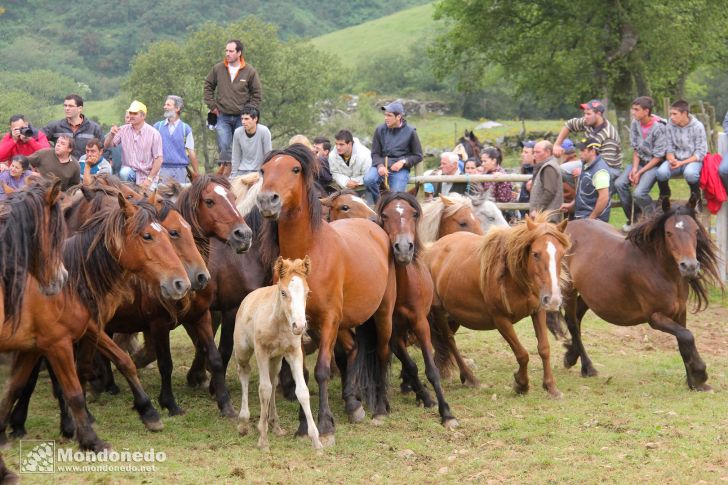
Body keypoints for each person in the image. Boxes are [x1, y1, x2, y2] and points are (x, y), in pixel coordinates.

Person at [204, 40, 263, 177]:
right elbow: (208, 85)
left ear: (239, 53)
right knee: (224, 146)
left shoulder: (249, 71)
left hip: (241, 117)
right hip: (222, 115)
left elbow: (257, 93)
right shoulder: (218, 68)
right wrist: (212, 105)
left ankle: (240, 173)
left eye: (231, 51)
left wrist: (249, 111)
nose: (227, 54)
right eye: (226, 51)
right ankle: (226, 175)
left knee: (241, 145)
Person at [614, 96, 667, 230]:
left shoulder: (660, 127)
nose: (633, 112)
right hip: (639, 162)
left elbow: (658, 157)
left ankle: (653, 220)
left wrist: (640, 172)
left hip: (654, 164)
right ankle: (635, 219)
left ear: (646, 111)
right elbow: (636, 148)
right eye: (633, 109)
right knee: (620, 184)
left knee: (639, 193)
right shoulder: (635, 123)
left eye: (636, 110)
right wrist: (635, 169)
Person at [554, 99, 622, 187]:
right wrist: (557, 145)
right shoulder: (588, 122)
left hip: (609, 169)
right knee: (561, 170)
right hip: (589, 162)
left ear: (598, 114)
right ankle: (582, 195)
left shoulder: (609, 134)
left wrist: (584, 171)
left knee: (585, 176)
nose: (585, 116)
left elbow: (606, 165)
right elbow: (569, 125)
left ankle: (590, 196)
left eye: (588, 114)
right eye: (585, 113)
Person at [363, 101, 423, 201]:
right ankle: (380, 203)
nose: (386, 118)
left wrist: (403, 162)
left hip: (400, 169)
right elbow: (375, 153)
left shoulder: (411, 132)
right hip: (381, 165)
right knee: (369, 180)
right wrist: (380, 166)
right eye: (385, 115)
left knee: (396, 194)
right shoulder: (379, 130)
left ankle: (390, 205)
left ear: (398, 117)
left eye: (389, 115)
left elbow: (418, 155)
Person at [655, 100, 706, 204]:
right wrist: (671, 159)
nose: (672, 117)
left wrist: (681, 163)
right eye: (670, 114)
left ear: (684, 114)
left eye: (675, 114)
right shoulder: (670, 124)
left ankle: (696, 198)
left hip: (693, 160)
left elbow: (700, 153)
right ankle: (664, 195)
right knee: (661, 172)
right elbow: (669, 147)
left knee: (690, 173)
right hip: (676, 159)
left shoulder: (698, 126)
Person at [104, 100, 163, 191]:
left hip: (147, 176)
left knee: (148, 202)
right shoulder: (123, 130)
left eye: (135, 113)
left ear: (143, 116)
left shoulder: (154, 133)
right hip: (129, 175)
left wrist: (149, 179)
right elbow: (107, 145)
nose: (131, 115)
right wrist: (111, 134)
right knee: (124, 172)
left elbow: (158, 159)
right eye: (130, 113)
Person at [561, 138, 611, 222]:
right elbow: (582, 192)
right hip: (583, 218)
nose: (580, 153)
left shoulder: (600, 171)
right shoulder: (586, 166)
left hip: (594, 222)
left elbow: (604, 198)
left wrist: (591, 219)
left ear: (593, 151)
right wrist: (571, 205)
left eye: (583, 150)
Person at [153, 95, 199, 183]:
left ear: (177, 108)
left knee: (182, 196)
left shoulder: (186, 129)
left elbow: (191, 152)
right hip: (162, 170)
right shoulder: (157, 127)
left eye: (168, 105)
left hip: (182, 172)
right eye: (165, 105)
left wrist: (197, 174)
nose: (164, 107)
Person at [42, 94, 105, 159]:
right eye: (65, 105)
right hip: (61, 168)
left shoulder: (94, 128)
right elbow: (39, 139)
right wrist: (52, 154)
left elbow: (103, 149)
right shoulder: (55, 126)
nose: (67, 108)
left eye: (71, 106)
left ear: (80, 109)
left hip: (86, 167)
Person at [230, 105, 272, 177]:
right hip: (242, 172)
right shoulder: (237, 132)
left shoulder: (264, 131)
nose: (243, 122)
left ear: (255, 119)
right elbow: (236, 156)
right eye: (242, 119)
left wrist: (267, 174)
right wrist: (233, 175)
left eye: (246, 119)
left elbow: (268, 155)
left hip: (259, 172)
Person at [529, 140, 563, 222]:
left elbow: (550, 191)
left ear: (548, 152)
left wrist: (537, 210)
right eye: (534, 152)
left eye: (538, 152)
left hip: (547, 218)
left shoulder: (549, 167)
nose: (534, 155)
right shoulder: (547, 166)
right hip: (545, 217)